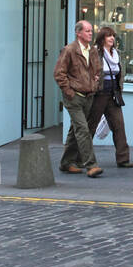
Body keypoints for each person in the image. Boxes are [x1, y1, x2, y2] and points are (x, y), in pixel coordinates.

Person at [54, 20, 104, 177]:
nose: (91, 33)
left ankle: (66, 162)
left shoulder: (93, 51)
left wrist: (95, 84)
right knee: (82, 129)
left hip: (88, 96)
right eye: (87, 31)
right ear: (78, 33)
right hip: (74, 97)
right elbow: (59, 73)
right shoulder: (69, 50)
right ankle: (91, 165)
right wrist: (69, 92)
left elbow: (98, 70)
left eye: (91, 30)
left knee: (75, 130)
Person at [88, 26, 133, 168]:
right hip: (99, 93)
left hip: (113, 94)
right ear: (102, 38)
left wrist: (120, 89)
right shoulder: (95, 52)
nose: (112, 38)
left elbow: (119, 73)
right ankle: (81, 158)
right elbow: (88, 69)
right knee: (90, 126)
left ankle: (123, 159)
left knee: (119, 125)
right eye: (109, 36)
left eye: (113, 36)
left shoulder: (116, 53)